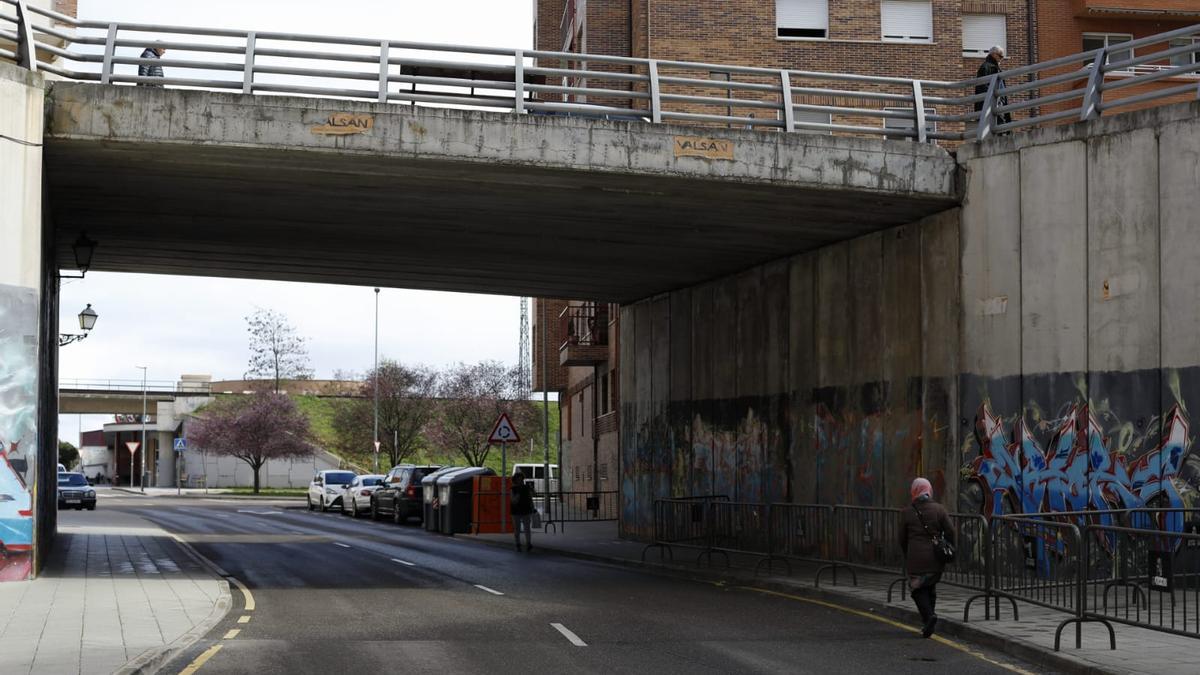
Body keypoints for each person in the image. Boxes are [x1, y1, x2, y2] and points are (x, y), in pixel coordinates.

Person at [900, 477, 955, 638]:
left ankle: (929, 617)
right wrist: (949, 546)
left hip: (915, 558)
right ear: (929, 490)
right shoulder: (939, 509)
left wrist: (907, 553)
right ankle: (929, 620)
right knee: (930, 587)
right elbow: (951, 531)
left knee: (917, 589)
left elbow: (901, 538)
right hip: (936, 558)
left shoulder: (907, 512)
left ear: (914, 491)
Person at [974, 45, 1011, 131]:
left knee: (1001, 128)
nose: (1002, 58)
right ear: (994, 55)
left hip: (998, 103)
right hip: (993, 104)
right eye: (1000, 56)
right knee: (996, 128)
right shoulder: (986, 67)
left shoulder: (994, 68)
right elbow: (984, 87)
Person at [510, 471, 535, 552]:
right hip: (516, 511)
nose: (520, 481)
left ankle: (528, 543)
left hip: (526, 509)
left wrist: (531, 490)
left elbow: (531, 496)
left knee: (527, 528)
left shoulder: (526, 487)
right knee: (517, 529)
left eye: (521, 479)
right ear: (515, 480)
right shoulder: (513, 489)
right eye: (518, 479)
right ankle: (518, 543)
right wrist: (518, 494)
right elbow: (513, 501)